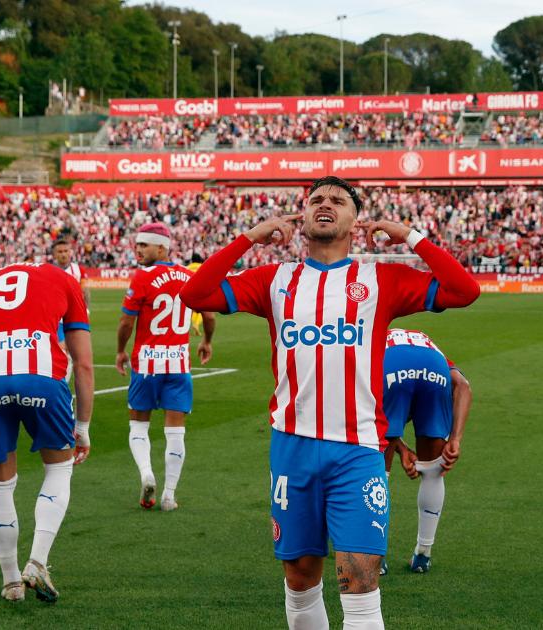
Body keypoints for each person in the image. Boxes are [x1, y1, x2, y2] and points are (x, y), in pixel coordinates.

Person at [180, 176, 481, 630]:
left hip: (357, 452)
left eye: (338, 200)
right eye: (316, 199)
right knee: (300, 578)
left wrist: (409, 236)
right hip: (292, 450)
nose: (325, 204)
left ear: (355, 222)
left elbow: (464, 290)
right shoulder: (275, 279)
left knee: (360, 581)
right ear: (302, 218)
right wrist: (250, 237)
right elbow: (194, 295)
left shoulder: (380, 280)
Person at [0, 261, 94, 602]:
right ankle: (38, 561)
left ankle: (11, 583)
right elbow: (84, 364)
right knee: (59, 469)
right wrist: (83, 427)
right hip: (42, 379)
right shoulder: (64, 279)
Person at [115, 223, 215, 511]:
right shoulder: (189, 276)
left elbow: (126, 322)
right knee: (176, 431)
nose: (138, 250)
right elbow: (209, 316)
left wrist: (120, 350)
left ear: (162, 248)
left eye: (143, 245)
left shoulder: (143, 277)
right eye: (137, 244)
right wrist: (206, 341)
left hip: (147, 363)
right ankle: (169, 495)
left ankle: (147, 473)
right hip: (179, 364)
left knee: (138, 424)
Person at [378, 328, 471, 575]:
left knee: (376, 471)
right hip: (433, 368)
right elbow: (463, 386)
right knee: (433, 470)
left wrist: (396, 447)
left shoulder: (371, 339)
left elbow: (370, 410)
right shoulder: (428, 346)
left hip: (390, 365)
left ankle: (376, 556)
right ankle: (423, 555)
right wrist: (455, 439)